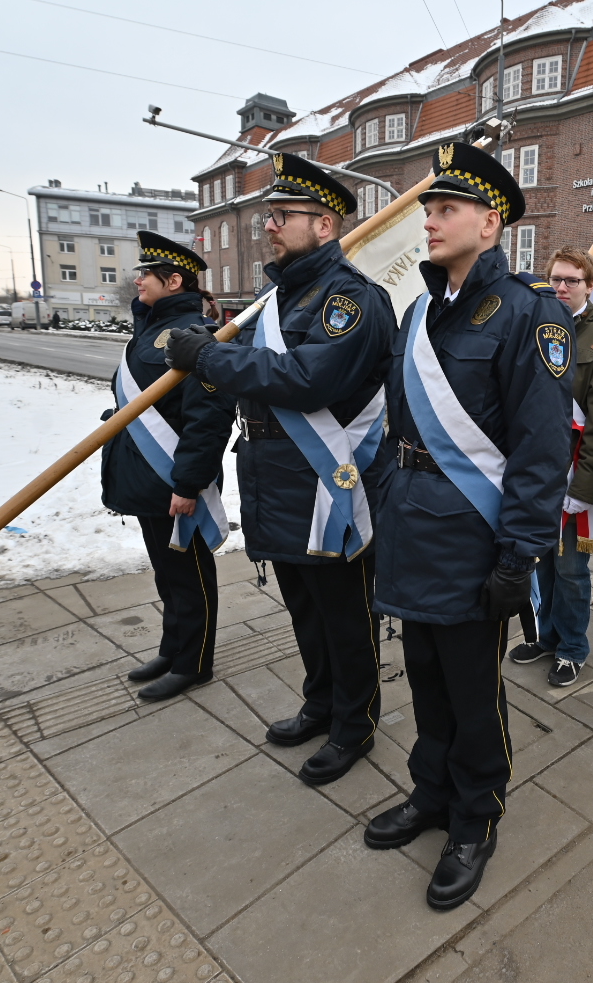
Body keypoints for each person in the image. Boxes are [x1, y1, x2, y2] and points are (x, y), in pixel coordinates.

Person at [361, 142, 572, 911]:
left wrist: (520, 553)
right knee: (425, 682)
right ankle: (432, 793)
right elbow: (397, 423)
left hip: (473, 539)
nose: (429, 220)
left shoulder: (530, 314)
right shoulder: (419, 310)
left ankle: (476, 816)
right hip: (412, 528)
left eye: (445, 208)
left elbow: (542, 450)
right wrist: (386, 494)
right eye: (428, 208)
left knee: (473, 692)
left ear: (490, 222)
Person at [166, 154, 395, 787]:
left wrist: (212, 358)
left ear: (324, 224)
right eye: (268, 214)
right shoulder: (281, 297)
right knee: (305, 611)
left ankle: (355, 723)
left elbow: (307, 378)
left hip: (326, 485)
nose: (269, 225)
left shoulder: (350, 299)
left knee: (345, 616)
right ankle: (320, 703)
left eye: (282, 216)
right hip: (277, 477)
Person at [104, 231, 235, 701]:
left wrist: (189, 483)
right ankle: (172, 647)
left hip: (174, 480)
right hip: (146, 475)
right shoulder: (148, 329)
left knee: (189, 574)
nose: (137, 280)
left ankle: (194, 663)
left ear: (173, 280)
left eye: (146, 274)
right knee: (167, 573)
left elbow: (208, 418)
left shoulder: (192, 335)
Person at [510, 247, 593, 686]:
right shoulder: (535, 328)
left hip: (574, 470)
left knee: (572, 569)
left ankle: (573, 647)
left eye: (572, 281)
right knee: (540, 559)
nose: (561, 288)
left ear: (590, 286)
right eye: (556, 279)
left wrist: (582, 489)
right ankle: (546, 636)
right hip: (535, 468)